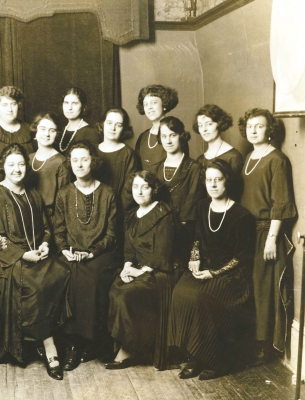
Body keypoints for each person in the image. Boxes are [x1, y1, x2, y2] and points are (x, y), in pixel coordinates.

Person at [0, 144, 71, 380]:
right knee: (36, 285)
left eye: (21, 164)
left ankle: (55, 339)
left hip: (37, 253)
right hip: (9, 259)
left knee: (63, 272)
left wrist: (44, 245)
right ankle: (48, 345)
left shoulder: (33, 194)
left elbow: (47, 229)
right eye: (11, 164)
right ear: (3, 167)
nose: (17, 169)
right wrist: (22, 255)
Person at [168, 160, 256, 380]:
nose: (213, 184)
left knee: (201, 297)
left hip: (232, 276)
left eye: (218, 179)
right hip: (205, 267)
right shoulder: (201, 206)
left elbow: (242, 257)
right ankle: (192, 355)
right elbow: (197, 238)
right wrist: (195, 258)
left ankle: (214, 360)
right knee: (180, 292)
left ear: (227, 181)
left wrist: (214, 273)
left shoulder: (242, 215)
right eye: (209, 180)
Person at [54, 140, 122, 371]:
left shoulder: (108, 193)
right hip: (71, 253)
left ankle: (90, 342)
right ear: (70, 164)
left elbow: (112, 234)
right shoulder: (64, 194)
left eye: (84, 159)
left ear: (93, 162)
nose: (80, 164)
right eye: (75, 160)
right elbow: (59, 230)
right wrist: (65, 250)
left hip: (101, 254)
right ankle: (73, 344)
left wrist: (90, 253)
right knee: (66, 274)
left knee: (90, 278)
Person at [239, 108, 297, 365]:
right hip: (247, 232)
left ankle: (266, 347)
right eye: (250, 126)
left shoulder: (277, 159)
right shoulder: (249, 156)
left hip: (266, 231)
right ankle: (249, 342)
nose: (253, 130)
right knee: (249, 287)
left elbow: (280, 202)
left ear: (269, 130)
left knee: (264, 289)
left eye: (259, 126)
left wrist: (272, 238)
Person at [106, 171, 177, 371]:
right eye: (136, 186)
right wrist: (127, 267)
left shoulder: (164, 213)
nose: (139, 191)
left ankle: (129, 350)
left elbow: (164, 251)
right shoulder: (131, 216)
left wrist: (141, 272)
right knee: (114, 288)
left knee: (125, 294)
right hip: (138, 269)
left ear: (153, 190)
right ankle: (129, 343)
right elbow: (129, 249)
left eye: (145, 187)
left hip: (159, 272)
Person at [152, 116, 204, 265]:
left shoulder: (194, 167)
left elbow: (192, 201)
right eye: (164, 136)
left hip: (184, 232)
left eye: (172, 135)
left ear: (181, 136)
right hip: (158, 231)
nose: (168, 141)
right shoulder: (155, 169)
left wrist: (174, 226)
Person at [193, 104, 244, 199]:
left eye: (209, 124)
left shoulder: (233, 157)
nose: (204, 129)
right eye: (200, 125)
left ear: (220, 124)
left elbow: (236, 194)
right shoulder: (200, 159)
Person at [96, 107, 140, 215]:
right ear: (102, 124)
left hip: (118, 213)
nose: (113, 128)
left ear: (124, 129)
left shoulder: (128, 154)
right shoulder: (92, 151)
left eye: (118, 125)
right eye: (109, 123)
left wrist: (114, 211)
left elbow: (129, 192)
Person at [27, 112, 69, 219]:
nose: (47, 134)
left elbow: (64, 199)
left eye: (52, 130)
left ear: (57, 134)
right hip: (27, 215)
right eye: (42, 129)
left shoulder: (61, 162)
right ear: (35, 131)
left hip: (51, 218)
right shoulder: (28, 159)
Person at [135, 84, 180, 171]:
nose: (149, 107)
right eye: (146, 104)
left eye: (154, 103)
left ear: (164, 105)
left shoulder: (175, 133)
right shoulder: (143, 137)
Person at [0, 86, 35, 158]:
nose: (10, 109)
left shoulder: (29, 130)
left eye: (13, 104)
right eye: (4, 105)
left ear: (18, 105)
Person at [57, 87, 101, 154]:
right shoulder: (60, 130)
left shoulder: (91, 132)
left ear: (83, 106)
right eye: (66, 103)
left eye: (74, 103)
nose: (69, 108)